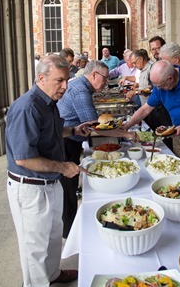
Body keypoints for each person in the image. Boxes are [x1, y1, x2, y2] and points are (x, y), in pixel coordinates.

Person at [5, 55, 94, 286]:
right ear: (41, 78)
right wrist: (63, 167)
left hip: (50, 183)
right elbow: (24, 159)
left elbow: (50, 133)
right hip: (30, 188)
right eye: (59, 81)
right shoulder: (27, 107)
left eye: (66, 80)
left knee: (54, 236)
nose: (65, 86)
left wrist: (74, 129)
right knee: (34, 248)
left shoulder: (48, 102)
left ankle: (53, 274)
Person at [57, 60, 138, 238]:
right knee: (68, 188)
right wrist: (126, 134)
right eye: (105, 78)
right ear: (94, 75)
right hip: (66, 142)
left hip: (70, 138)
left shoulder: (82, 86)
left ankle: (69, 227)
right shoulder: (80, 90)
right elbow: (95, 126)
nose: (106, 83)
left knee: (69, 186)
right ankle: (70, 232)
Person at [123, 60, 180, 183]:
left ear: (170, 78)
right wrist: (127, 126)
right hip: (178, 133)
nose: (158, 89)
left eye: (160, 86)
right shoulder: (160, 84)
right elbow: (145, 109)